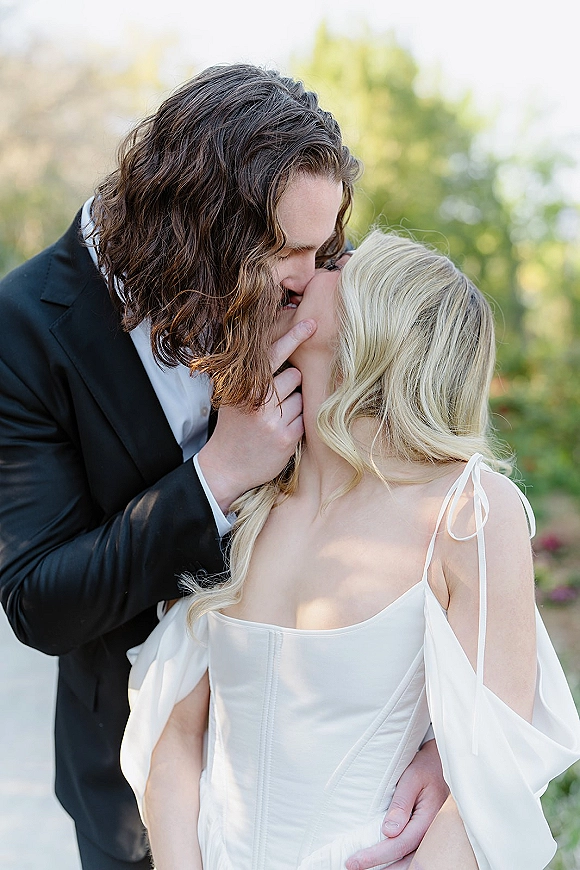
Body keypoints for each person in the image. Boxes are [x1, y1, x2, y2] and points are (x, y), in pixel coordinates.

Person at [0, 65, 446, 870]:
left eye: (330, 248)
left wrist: (453, 739)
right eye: (290, 253)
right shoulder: (24, 328)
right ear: (196, 232)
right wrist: (217, 475)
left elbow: (427, 491)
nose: (317, 282)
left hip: (333, 780)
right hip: (131, 777)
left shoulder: (307, 278)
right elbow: (41, 602)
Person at [121, 230, 580, 870]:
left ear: (378, 319)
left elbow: (493, 776)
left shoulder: (467, 510)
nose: (311, 270)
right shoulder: (248, 489)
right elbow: (177, 734)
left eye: (342, 264)